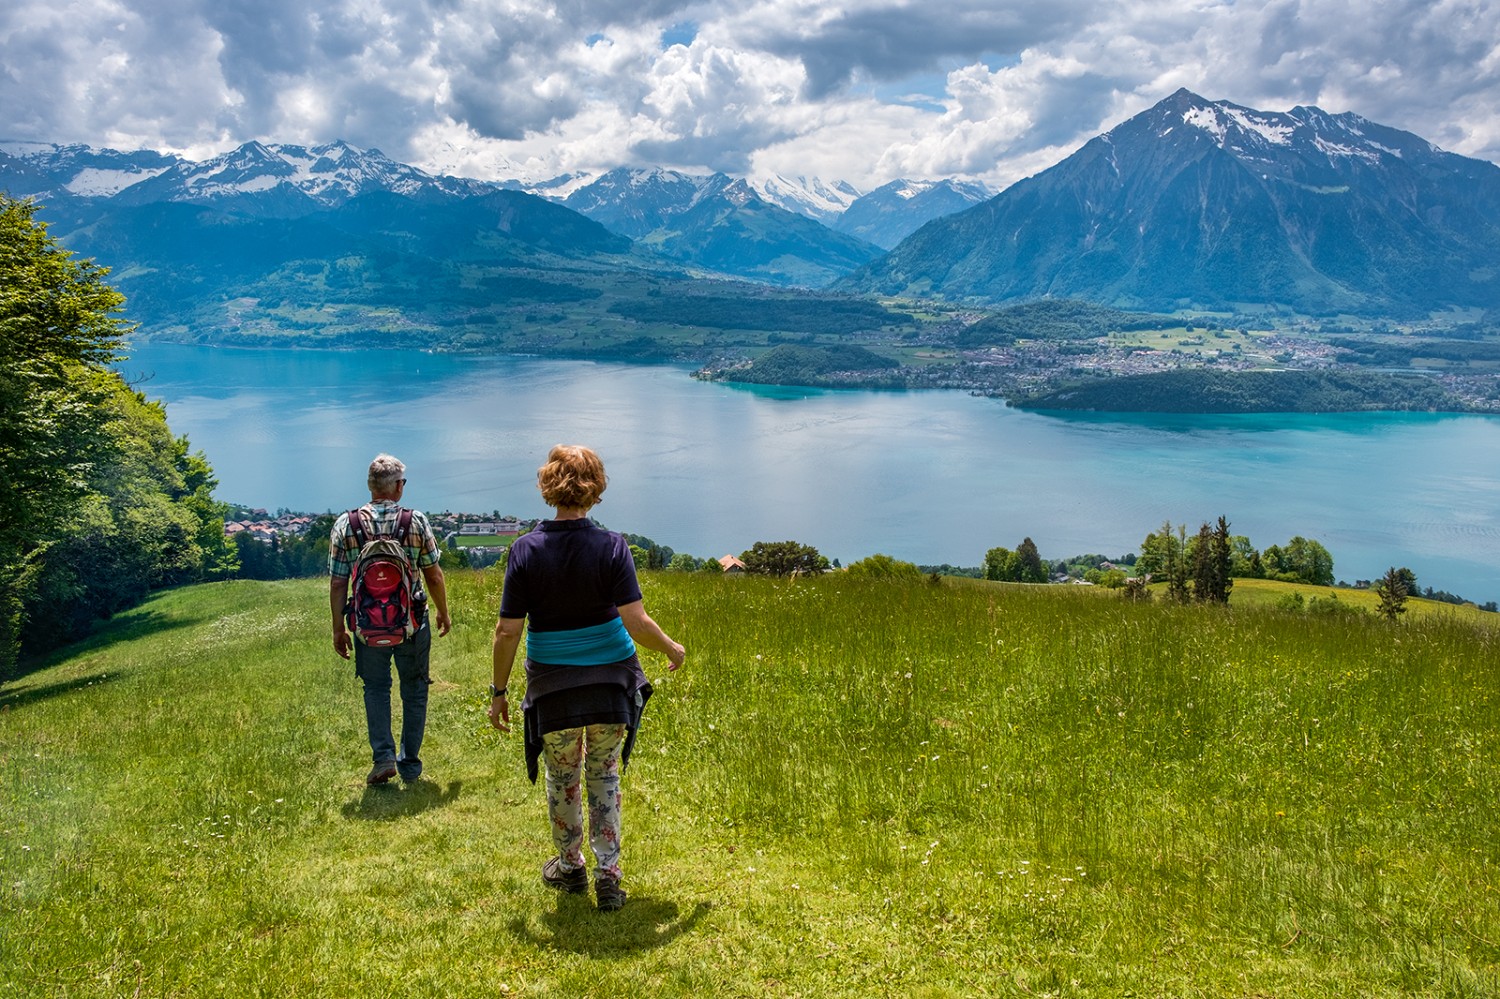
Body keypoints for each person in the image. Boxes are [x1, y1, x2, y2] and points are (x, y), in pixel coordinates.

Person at [488, 444, 685, 912]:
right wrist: (672, 648)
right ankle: (609, 876)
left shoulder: (525, 550)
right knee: (604, 774)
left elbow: (507, 631)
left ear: (547, 485)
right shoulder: (612, 546)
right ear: (595, 488)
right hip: (609, 686)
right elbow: (636, 623)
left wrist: (499, 692)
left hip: (553, 688)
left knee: (563, 777)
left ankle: (570, 867)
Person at [330, 454, 452, 785]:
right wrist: (442, 610)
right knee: (414, 690)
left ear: (371, 486)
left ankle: (383, 758)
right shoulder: (415, 522)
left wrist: (338, 628)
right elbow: (434, 574)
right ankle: (409, 763)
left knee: (376, 687)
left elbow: (339, 581)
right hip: (411, 623)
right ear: (397, 487)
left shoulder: (347, 525)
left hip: (367, 626)